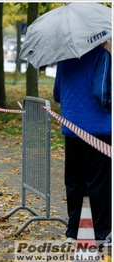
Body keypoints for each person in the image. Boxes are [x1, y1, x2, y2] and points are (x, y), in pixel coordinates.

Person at [53, 42, 112, 246]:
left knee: (74, 180)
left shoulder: (64, 59)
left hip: (71, 128)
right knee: (98, 181)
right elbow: (102, 92)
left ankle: (73, 231)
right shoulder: (102, 56)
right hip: (98, 131)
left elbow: (57, 94)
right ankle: (100, 233)